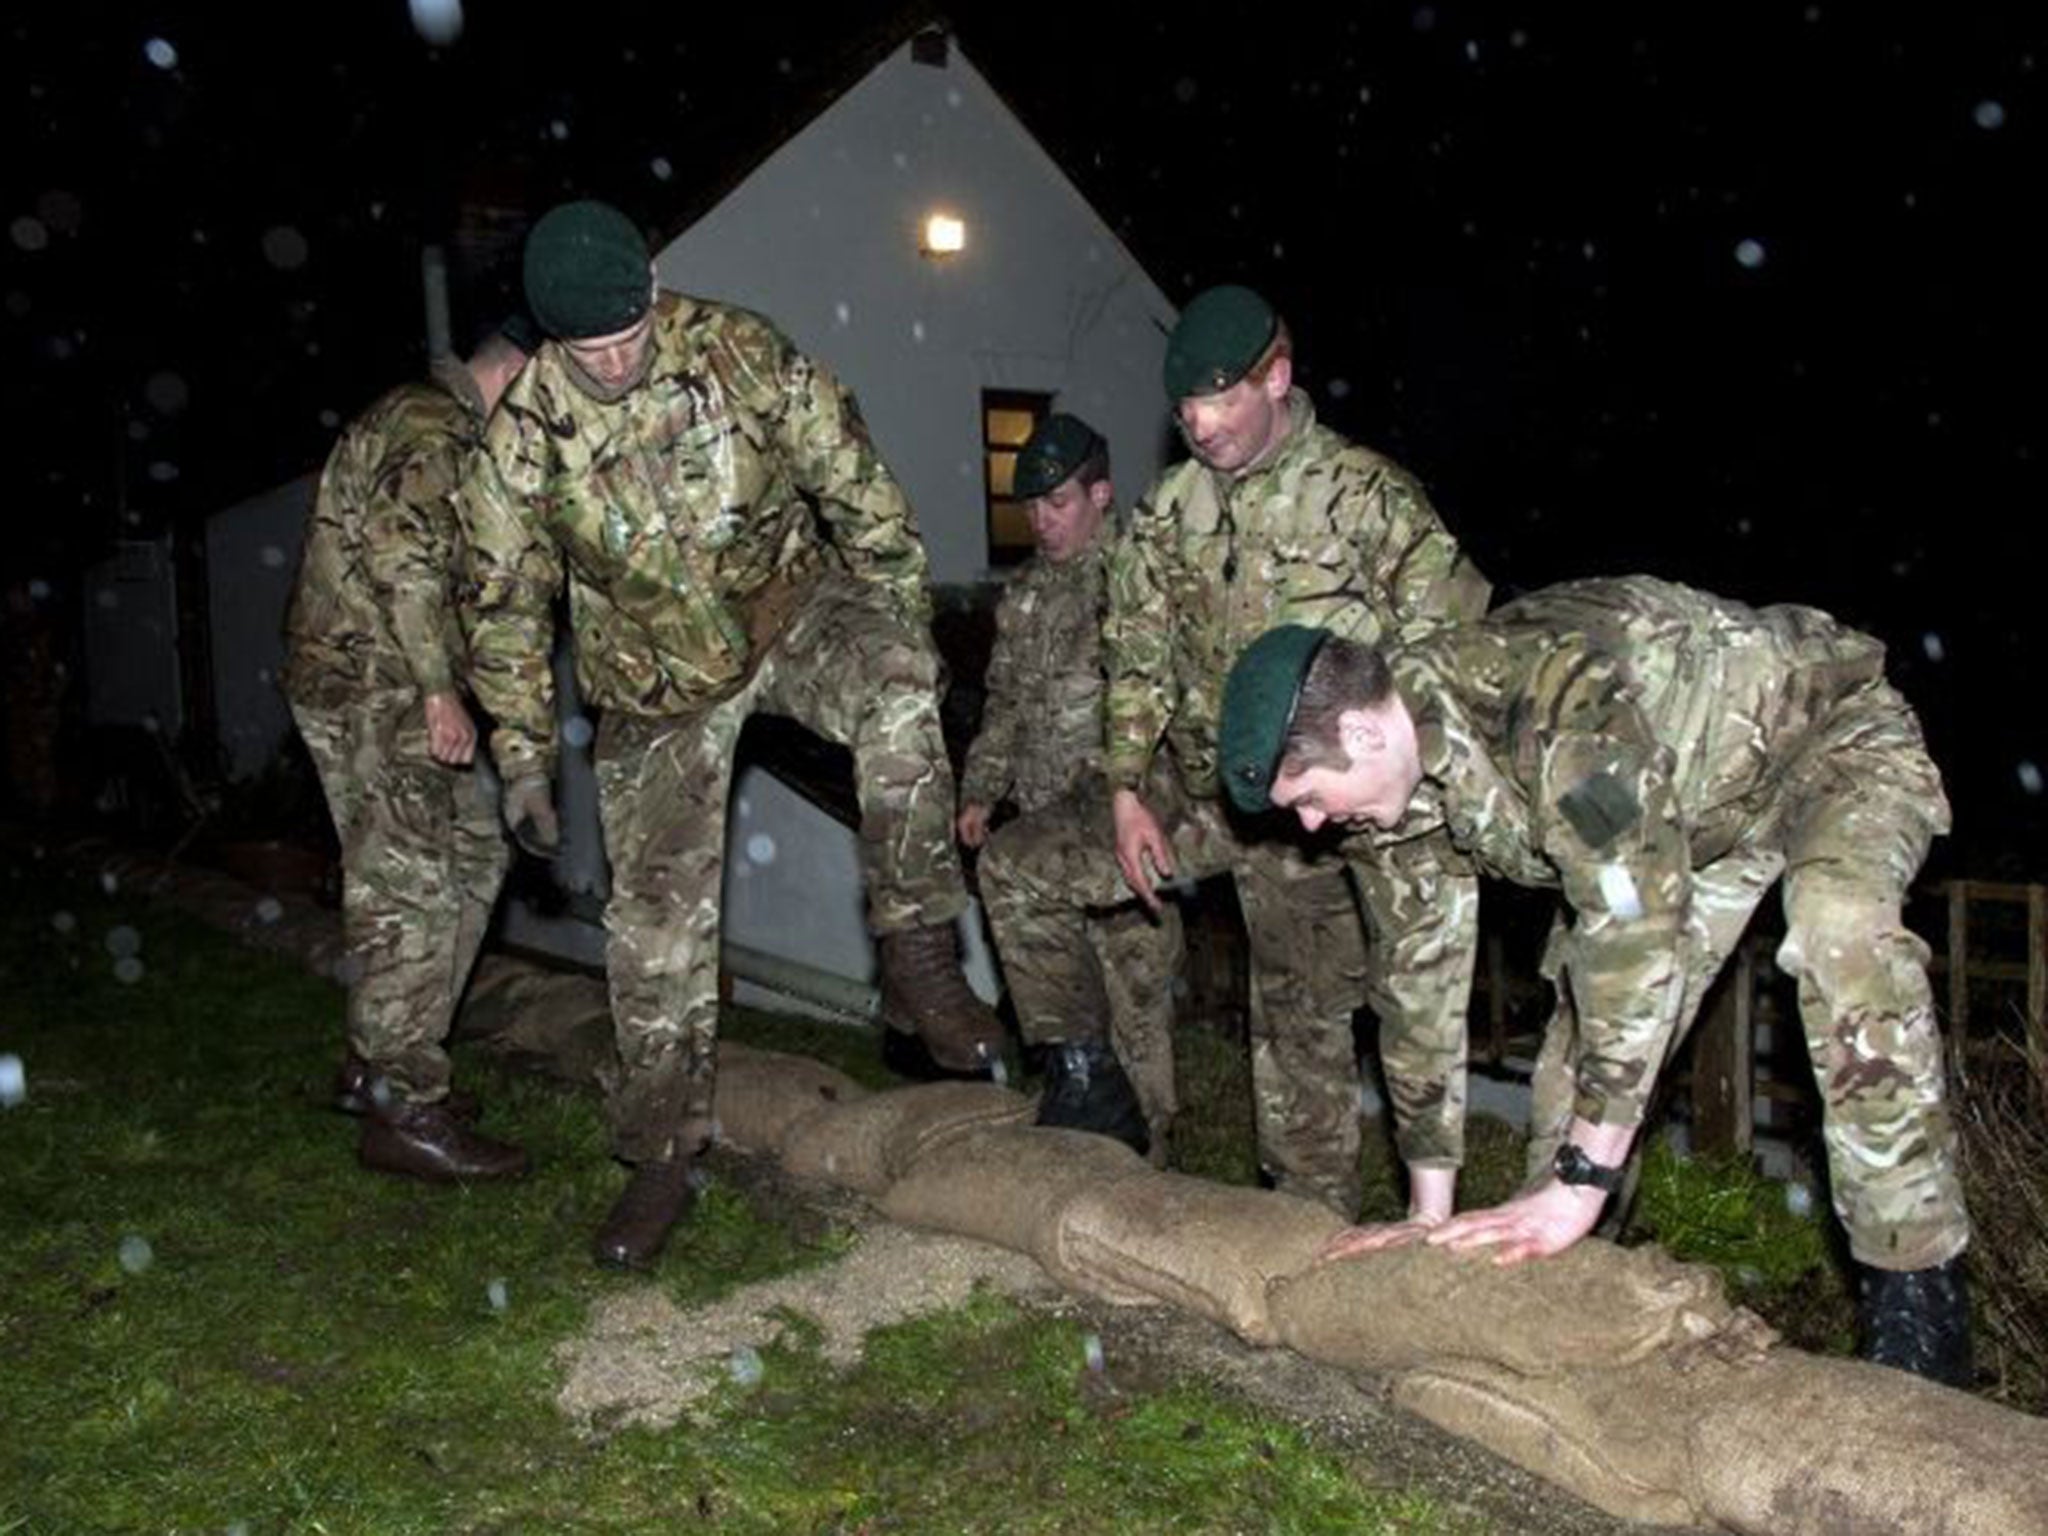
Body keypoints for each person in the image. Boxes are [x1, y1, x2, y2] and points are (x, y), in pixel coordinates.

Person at [1217, 575, 1974, 1384]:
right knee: (1574, 1093)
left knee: (1838, 932)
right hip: (1697, 817)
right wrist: (1427, 1212)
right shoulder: (1390, 797)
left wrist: (1583, 1180)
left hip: (1828, 746)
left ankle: (1918, 1304)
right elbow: (1418, 987)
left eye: (1305, 797)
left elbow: (1634, 918)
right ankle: (1584, 1335)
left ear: (1363, 733)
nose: (1308, 826)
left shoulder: (1548, 704)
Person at [460, 199, 1004, 1270]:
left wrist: (901, 621)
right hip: (655, 683)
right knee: (655, 933)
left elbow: (850, 478)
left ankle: (918, 956)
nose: (614, 364)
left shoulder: (739, 351)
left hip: (790, 611)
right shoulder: (520, 440)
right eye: (587, 351)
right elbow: (503, 606)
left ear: (654, 288)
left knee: (898, 691)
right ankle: (661, 1155)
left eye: (627, 337)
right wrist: (521, 758)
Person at [980, 284, 1491, 1215]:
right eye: (1184, 409)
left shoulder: (1366, 501)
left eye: (1219, 402)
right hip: (1205, 793)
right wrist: (1129, 787)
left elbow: (1459, 652)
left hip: (1325, 817)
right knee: (1018, 871)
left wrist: (1404, 790)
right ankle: (1094, 1089)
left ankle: (1306, 1225)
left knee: (1299, 1021)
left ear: (1278, 379)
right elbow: (1134, 652)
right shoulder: (1172, 511)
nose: (1199, 425)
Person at [283, 322, 533, 1183]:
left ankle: (384, 1058)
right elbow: (404, 556)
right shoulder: (429, 424)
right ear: (521, 369)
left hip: (399, 684)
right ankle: (403, 1106)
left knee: (472, 852)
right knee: (408, 882)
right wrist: (437, 686)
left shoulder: (448, 427)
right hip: (375, 687)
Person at [958, 413, 1177, 1156]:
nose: (1042, 522)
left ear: (1103, 495)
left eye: (1059, 503)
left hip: (1116, 820)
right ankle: (1085, 1165)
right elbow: (1006, 702)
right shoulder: (1022, 598)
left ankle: (1152, 1174)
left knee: (1136, 1000)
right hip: (1042, 819)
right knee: (1063, 999)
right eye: (1032, 508)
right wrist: (982, 790)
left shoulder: (1139, 582)